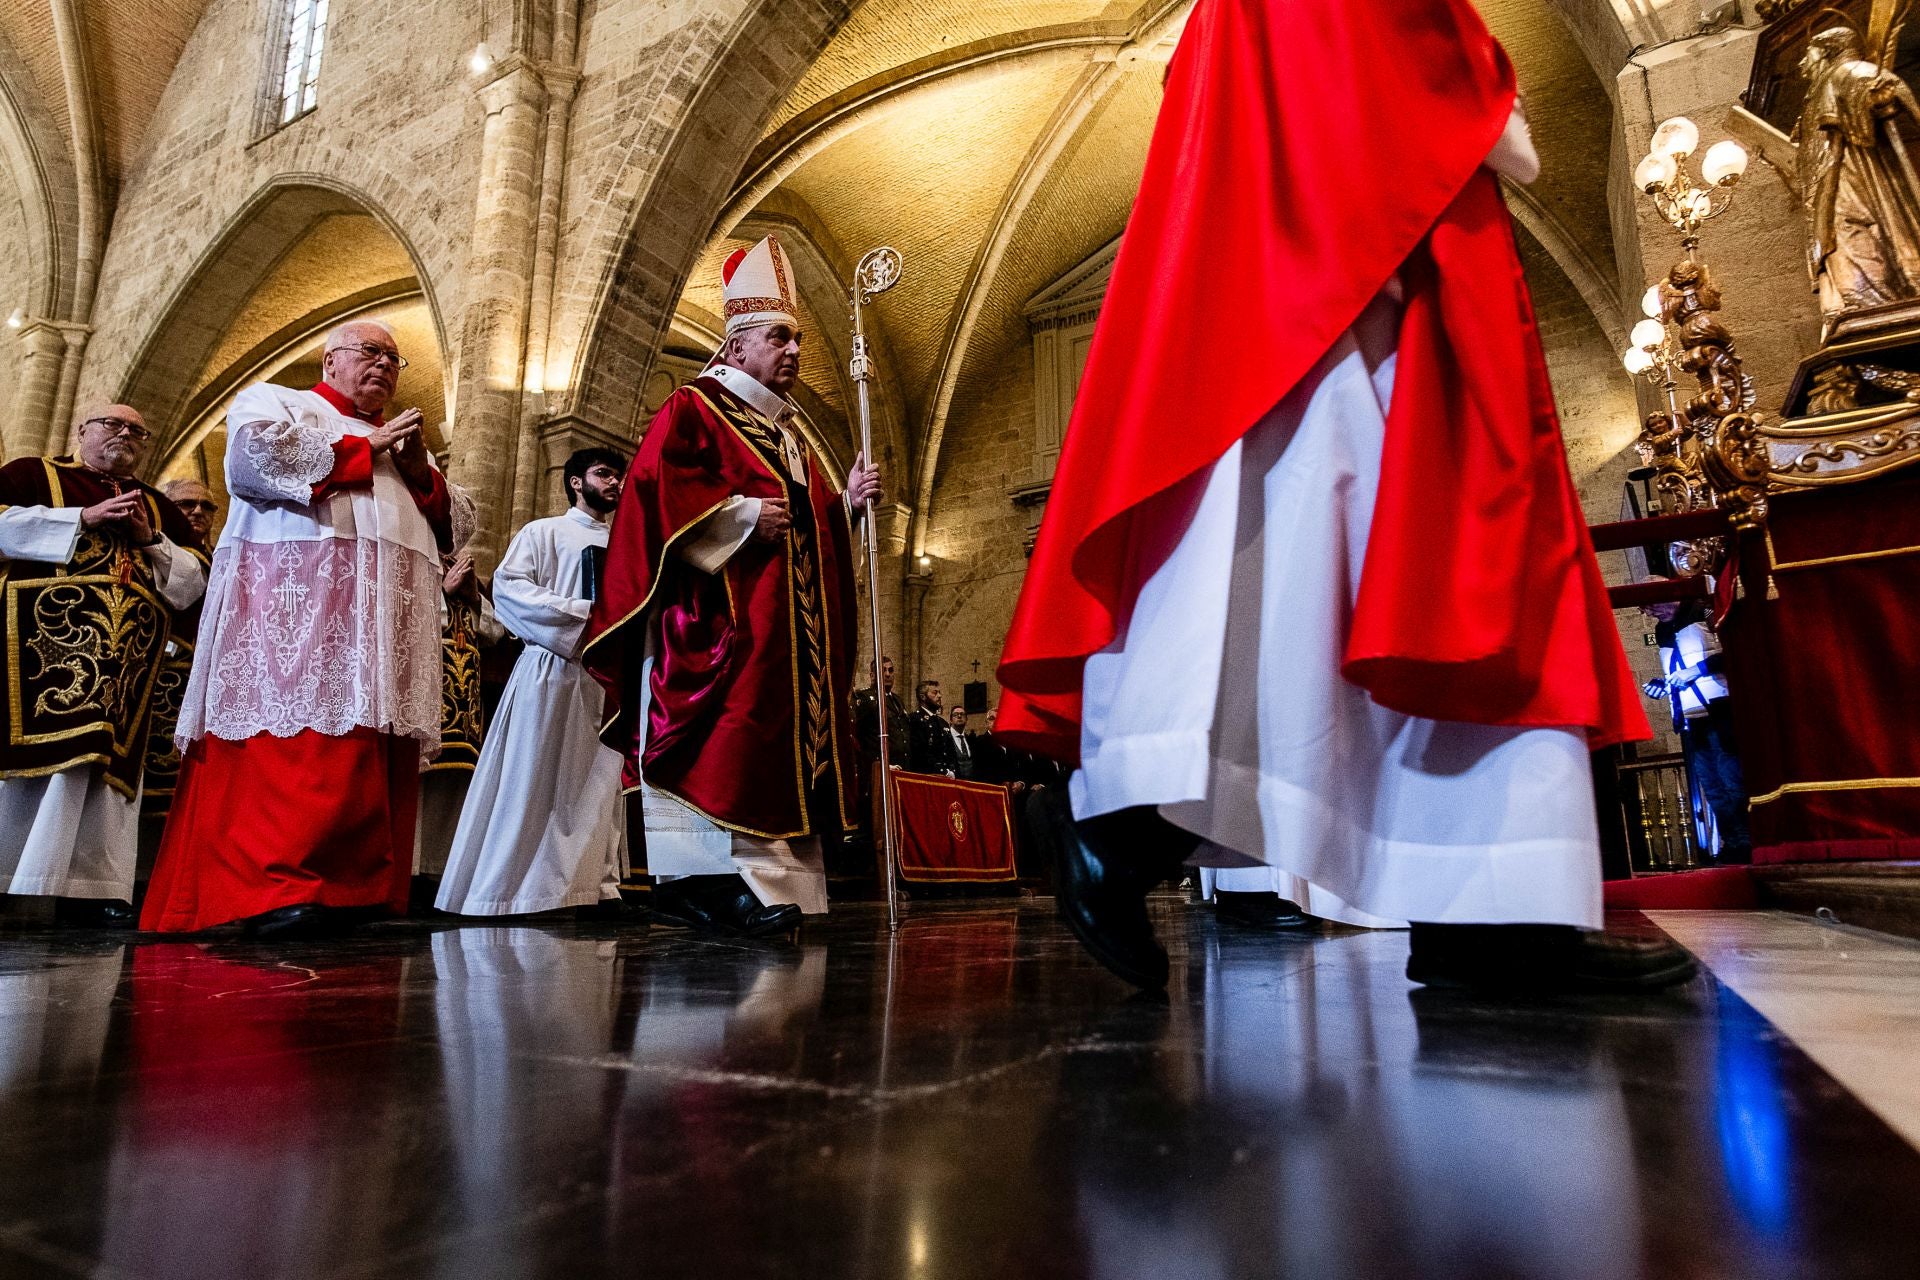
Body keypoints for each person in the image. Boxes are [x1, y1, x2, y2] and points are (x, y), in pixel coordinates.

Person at [995, 0, 1694, 993]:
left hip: (1338, 221)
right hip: (1339, 247)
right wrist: (1474, 77)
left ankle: (1482, 908)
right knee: (1315, 553)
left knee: (1372, 566)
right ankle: (1126, 822)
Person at [585, 235, 882, 936]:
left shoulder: (791, 437)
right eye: (779, 337)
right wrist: (741, 514)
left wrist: (845, 506)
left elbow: (804, 529)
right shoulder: (696, 408)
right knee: (727, 739)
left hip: (785, 632)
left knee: (775, 745)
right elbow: (654, 494)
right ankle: (704, 881)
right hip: (718, 622)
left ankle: (782, 886)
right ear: (739, 344)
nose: (794, 352)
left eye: (799, 340)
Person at [142, 320, 470, 939]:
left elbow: (461, 523)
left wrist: (421, 470)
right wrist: (366, 450)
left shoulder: (404, 444)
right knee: (301, 741)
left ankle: (362, 893)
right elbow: (253, 461)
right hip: (295, 601)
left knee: (373, 740)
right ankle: (278, 888)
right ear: (330, 360)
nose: (384, 366)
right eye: (370, 352)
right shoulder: (278, 401)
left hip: (383, 617)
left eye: (394, 360)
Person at [0, 406, 207, 924]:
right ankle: (9, 878)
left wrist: (149, 540)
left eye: (137, 429)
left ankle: (90, 890)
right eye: (111, 425)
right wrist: (80, 518)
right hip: (37, 652)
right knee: (31, 760)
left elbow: (196, 581)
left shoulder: (158, 506)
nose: (124, 434)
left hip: (125, 668)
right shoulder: (33, 474)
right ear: (81, 432)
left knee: (105, 769)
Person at [436, 448, 632, 917]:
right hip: (550, 669)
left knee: (597, 783)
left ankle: (592, 888)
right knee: (535, 778)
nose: (614, 483)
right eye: (603, 474)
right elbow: (509, 590)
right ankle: (513, 890)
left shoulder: (629, 546)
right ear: (575, 483)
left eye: (618, 476)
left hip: (606, 679)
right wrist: (587, 619)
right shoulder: (542, 532)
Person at [412, 546, 502, 902]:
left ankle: (439, 873)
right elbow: (404, 616)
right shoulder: (416, 563)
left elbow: (497, 632)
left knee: (456, 788)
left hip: (464, 706)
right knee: (421, 786)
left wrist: (473, 597)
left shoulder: (464, 575)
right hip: (426, 695)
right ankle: (412, 873)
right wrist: (443, 592)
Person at [140, 481, 221, 839]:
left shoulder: (224, 555)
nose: (198, 512)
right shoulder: (145, 551)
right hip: (160, 678)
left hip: (212, 685)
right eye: (186, 504)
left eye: (207, 506)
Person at [1645, 589, 1750, 863]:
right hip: (1691, 718)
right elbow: (1676, 668)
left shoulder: (1704, 610)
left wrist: (1696, 671)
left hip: (1719, 709)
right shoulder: (1662, 629)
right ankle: (1734, 842)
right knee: (1712, 786)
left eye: (1651, 605)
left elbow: (1735, 648)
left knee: (1732, 780)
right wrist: (1663, 684)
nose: (1649, 613)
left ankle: (1749, 839)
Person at [909, 680, 956, 775]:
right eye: (935, 693)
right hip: (927, 775)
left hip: (948, 776)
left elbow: (950, 751)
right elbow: (920, 753)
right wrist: (941, 771)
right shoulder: (915, 719)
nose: (939, 696)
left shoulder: (943, 723)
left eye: (939, 692)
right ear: (923, 697)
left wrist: (952, 770)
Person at [946, 707, 977, 780]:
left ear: (966, 719)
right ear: (950, 720)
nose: (959, 716)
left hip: (971, 784)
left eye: (962, 714)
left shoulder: (971, 740)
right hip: (954, 783)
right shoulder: (945, 738)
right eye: (955, 714)